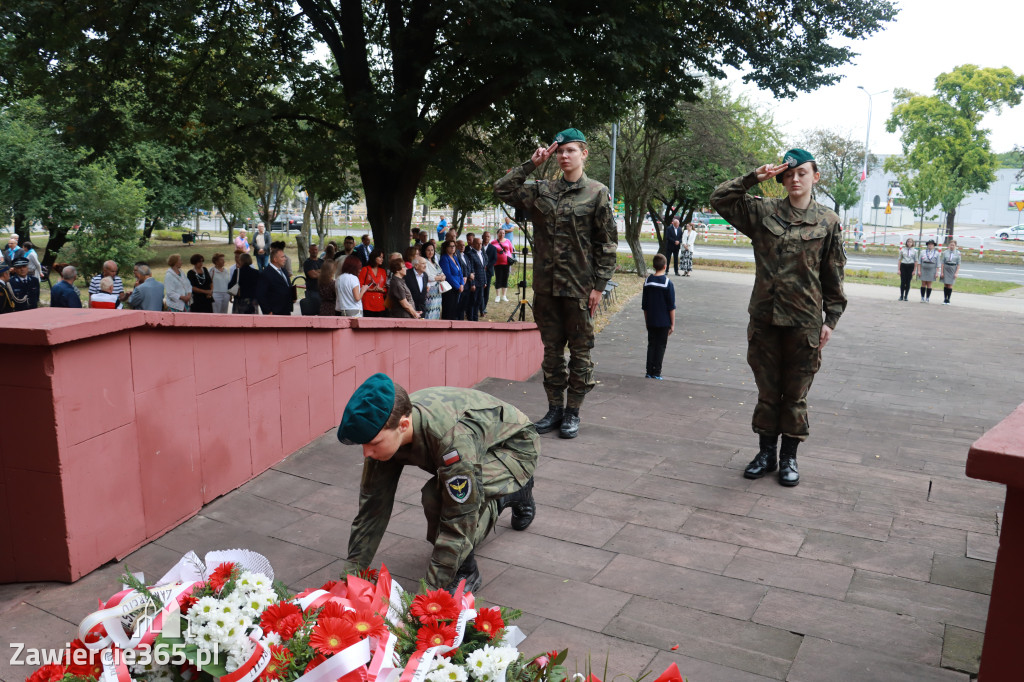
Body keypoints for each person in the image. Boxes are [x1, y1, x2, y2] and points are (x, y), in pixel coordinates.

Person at [709, 147, 847, 487]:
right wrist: (753, 177)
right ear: (781, 179)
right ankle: (765, 453)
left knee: (795, 395)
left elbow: (833, 275)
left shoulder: (828, 221)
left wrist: (831, 319)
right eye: (788, 174)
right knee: (768, 392)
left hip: (804, 324)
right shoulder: (764, 212)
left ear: (815, 177)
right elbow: (719, 199)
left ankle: (789, 459)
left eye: (802, 173)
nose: (794, 179)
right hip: (765, 321)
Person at [339, 373, 538, 593]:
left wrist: (429, 597)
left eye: (373, 443)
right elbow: (372, 508)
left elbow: (459, 522)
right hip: (474, 445)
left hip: (513, 448)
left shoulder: (451, 440)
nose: (367, 452)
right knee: (445, 498)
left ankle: (466, 571)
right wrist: (351, 577)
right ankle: (501, 494)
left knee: (439, 499)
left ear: (403, 425)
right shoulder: (385, 429)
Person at [494, 128, 618, 439]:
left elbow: (607, 244)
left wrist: (598, 286)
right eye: (560, 151)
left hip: (578, 289)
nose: (564, 156)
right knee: (551, 353)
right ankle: (553, 409)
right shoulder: (541, 189)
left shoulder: (597, 192)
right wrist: (532, 164)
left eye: (570, 151)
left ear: (584, 154)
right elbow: (502, 189)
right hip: (546, 288)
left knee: (580, 353)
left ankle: (573, 411)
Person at [642, 253, 676, 380]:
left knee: (651, 345)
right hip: (663, 321)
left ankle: (649, 371)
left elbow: (644, 305)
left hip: (651, 319)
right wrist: (672, 323)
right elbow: (671, 306)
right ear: (665, 266)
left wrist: (646, 320)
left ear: (653, 266)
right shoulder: (667, 283)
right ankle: (657, 372)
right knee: (661, 346)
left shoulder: (647, 282)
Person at [257, 247, 294, 315]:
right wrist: (268, 311)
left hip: (286, 310)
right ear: (275, 259)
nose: (285, 259)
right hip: (274, 312)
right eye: (282, 257)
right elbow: (261, 295)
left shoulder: (284, 270)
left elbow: (287, 286)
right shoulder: (266, 273)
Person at [385, 254, 421, 319]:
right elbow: (404, 303)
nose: (406, 268)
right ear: (397, 270)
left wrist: (414, 311)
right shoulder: (397, 283)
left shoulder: (399, 281)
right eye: (404, 267)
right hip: (402, 317)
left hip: (405, 315)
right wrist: (414, 313)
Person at [439, 240, 465, 320]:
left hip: (458, 287)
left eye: (454, 246)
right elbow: (448, 275)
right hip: (450, 288)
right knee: (449, 310)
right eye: (450, 246)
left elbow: (460, 272)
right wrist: (458, 286)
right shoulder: (444, 258)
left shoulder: (454, 257)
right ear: (446, 248)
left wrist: (462, 284)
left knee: (455, 309)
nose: (453, 248)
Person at [359, 249, 389, 317]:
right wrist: (371, 290)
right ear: (374, 257)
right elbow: (360, 286)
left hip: (380, 304)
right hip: (367, 303)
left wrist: (382, 290)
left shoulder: (383, 271)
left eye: (382, 257)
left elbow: (385, 288)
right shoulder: (365, 269)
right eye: (380, 257)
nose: (382, 259)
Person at [465, 237, 487, 321]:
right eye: (477, 243)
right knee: (472, 302)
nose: (479, 245)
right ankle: (471, 319)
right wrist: (472, 283)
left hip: (481, 282)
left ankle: (475, 318)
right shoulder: (470, 254)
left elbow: (483, 268)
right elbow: (471, 270)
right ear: (473, 244)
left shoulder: (481, 253)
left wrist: (485, 281)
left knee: (478, 301)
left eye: (481, 243)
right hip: (475, 283)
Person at [490, 228, 514, 303]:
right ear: (497, 234)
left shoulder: (508, 241)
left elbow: (511, 250)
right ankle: (497, 296)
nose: (502, 234)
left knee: (505, 278)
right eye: (500, 233)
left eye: (503, 233)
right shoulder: (493, 242)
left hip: (506, 263)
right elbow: (490, 251)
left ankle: (504, 295)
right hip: (497, 263)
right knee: (498, 279)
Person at [896, 237, 918, 301]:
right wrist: (899, 269)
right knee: (903, 281)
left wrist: (914, 270)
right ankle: (901, 295)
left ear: (912, 243)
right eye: (908, 242)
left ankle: (906, 296)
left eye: (910, 242)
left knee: (908, 282)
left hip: (910, 265)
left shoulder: (915, 251)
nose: (909, 243)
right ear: (906, 242)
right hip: (903, 265)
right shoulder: (903, 250)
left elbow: (916, 261)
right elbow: (899, 259)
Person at [941, 239, 961, 305]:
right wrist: (942, 272)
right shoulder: (945, 252)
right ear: (949, 245)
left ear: (955, 246)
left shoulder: (958, 253)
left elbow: (958, 264)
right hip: (946, 268)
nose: (952, 246)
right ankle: (945, 298)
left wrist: (956, 273)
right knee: (946, 284)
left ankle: (948, 299)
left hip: (953, 268)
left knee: (950, 284)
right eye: (951, 245)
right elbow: (942, 262)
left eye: (953, 245)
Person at [482, 231, 496, 315]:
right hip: (479, 272)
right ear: (482, 237)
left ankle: (484, 307)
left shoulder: (493, 248)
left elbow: (494, 259)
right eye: (485, 236)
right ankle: (480, 306)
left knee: (486, 291)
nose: (487, 238)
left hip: (488, 272)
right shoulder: (479, 246)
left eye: (488, 236)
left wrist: (487, 266)